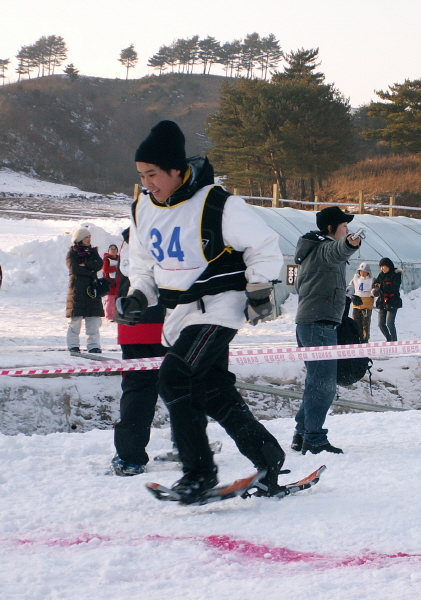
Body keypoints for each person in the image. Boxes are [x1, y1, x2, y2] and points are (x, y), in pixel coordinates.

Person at [117, 120, 288, 502]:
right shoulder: (142, 208)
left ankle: (198, 474)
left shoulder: (218, 204)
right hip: (179, 314)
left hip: (219, 307)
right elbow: (143, 266)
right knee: (212, 390)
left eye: (153, 175)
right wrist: (137, 297)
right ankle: (268, 457)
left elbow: (264, 244)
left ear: (176, 170)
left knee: (174, 378)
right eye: (142, 176)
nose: (148, 184)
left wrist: (259, 287)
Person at [293, 205, 362, 455]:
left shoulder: (315, 249)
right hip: (318, 325)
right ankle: (313, 438)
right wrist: (350, 243)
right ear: (331, 228)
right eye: (344, 226)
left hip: (315, 323)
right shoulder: (323, 249)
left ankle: (302, 434)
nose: (348, 230)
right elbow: (337, 250)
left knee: (316, 383)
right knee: (323, 385)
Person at [110, 229, 168, 476]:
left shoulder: (127, 242)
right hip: (170, 324)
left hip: (133, 326)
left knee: (136, 390)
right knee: (182, 387)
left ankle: (130, 457)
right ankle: (191, 448)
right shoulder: (171, 234)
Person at [66, 226, 104, 353]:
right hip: (77, 292)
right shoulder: (72, 253)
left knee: (93, 321)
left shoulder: (93, 252)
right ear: (80, 238)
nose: (88, 239)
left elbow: (99, 264)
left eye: (89, 237)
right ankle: (73, 346)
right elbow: (74, 269)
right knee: (75, 322)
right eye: (86, 237)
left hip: (92, 292)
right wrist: (90, 269)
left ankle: (94, 346)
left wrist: (86, 265)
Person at [373, 257, 403, 342]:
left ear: (388, 266)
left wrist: (382, 286)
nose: (382, 268)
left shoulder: (396, 274)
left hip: (392, 301)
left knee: (390, 323)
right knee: (381, 323)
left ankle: (394, 341)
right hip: (382, 301)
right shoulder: (381, 275)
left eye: (383, 266)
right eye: (380, 267)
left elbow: (394, 287)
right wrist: (375, 287)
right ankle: (389, 339)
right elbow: (377, 284)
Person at [350, 262, 374, 341]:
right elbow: (350, 288)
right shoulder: (355, 279)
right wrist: (351, 296)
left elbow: (375, 288)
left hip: (367, 305)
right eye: (361, 271)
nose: (363, 273)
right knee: (356, 323)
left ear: (368, 272)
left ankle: (365, 339)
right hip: (356, 305)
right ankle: (356, 338)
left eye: (364, 271)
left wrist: (375, 291)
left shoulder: (372, 280)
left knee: (365, 324)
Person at [102, 244, 120, 321]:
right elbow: (105, 269)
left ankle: (115, 315)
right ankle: (108, 316)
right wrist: (115, 268)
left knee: (117, 300)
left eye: (115, 249)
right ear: (108, 251)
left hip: (118, 283)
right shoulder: (106, 260)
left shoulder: (120, 259)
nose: (113, 250)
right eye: (111, 249)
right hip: (109, 283)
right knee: (110, 300)